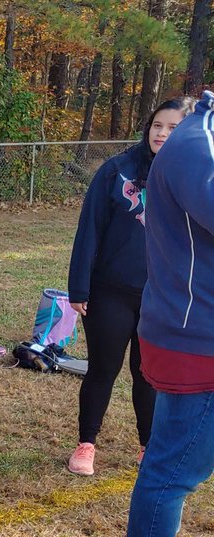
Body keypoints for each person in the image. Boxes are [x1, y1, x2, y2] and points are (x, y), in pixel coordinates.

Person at [113, 89, 214, 537]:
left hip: (191, 328)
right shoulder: (197, 147)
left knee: (177, 463)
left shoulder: (201, 139)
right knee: (173, 469)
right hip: (194, 335)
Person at [65, 98, 190, 477]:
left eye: (172, 128)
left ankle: (148, 446)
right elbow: (90, 229)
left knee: (148, 374)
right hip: (110, 291)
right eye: (157, 125)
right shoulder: (116, 171)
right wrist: (79, 287)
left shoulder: (193, 180)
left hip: (160, 297)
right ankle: (86, 443)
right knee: (103, 369)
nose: (162, 134)